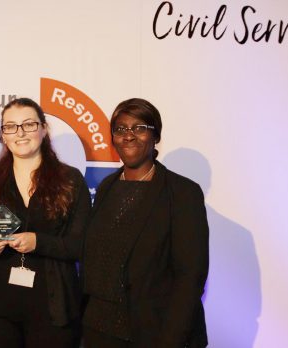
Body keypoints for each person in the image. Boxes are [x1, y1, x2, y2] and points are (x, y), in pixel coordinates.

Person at [0, 97, 91, 348]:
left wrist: (38, 242)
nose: (20, 133)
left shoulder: (70, 180)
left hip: (52, 307)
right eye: (11, 126)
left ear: (43, 129)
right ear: (3, 135)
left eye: (29, 124)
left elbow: (80, 245)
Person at [82, 98, 209, 348]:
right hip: (99, 330)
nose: (129, 136)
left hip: (155, 332)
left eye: (139, 128)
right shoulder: (107, 187)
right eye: (121, 129)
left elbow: (190, 276)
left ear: (156, 136)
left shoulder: (182, 193)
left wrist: (170, 340)